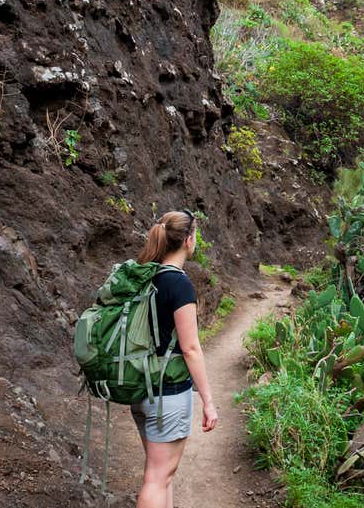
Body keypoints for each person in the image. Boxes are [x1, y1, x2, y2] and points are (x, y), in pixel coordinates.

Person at [132, 210, 218, 508]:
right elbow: (191, 348)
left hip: (142, 389)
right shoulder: (179, 284)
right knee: (158, 478)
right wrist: (207, 400)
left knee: (161, 475)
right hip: (167, 393)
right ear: (189, 240)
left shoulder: (146, 276)